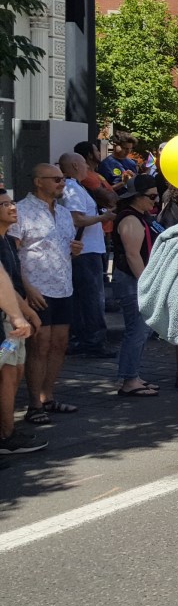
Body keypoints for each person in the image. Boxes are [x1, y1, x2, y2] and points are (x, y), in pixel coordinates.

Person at [15, 164, 82, 425]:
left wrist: (74, 251)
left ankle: (48, 396)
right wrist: (27, 288)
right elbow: (13, 253)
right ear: (38, 182)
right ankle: (33, 404)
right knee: (39, 345)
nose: (62, 183)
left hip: (63, 286)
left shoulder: (65, 213)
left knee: (59, 343)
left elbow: (64, 248)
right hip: (37, 289)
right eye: (56, 179)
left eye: (63, 178)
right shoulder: (21, 211)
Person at [58, 153, 115, 358]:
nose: (87, 168)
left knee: (85, 297)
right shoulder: (72, 188)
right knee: (92, 298)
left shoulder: (76, 187)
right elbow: (77, 219)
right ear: (75, 165)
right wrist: (104, 217)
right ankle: (93, 341)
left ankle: (84, 339)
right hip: (85, 250)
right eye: (84, 164)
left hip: (88, 248)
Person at [0, 190, 43, 454]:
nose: (12, 208)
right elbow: (6, 287)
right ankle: (6, 435)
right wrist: (26, 312)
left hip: (11, 318)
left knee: (14, 373)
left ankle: (7, 430)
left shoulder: (6, 239)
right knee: (7, 374)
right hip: (7, 319)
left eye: (11, 202)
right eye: (4, 204)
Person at [112, 175, 163, 396]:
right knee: (137, 330)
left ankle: (134, 376)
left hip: (137, 279)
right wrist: (147, 285)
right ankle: (129, 380)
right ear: (137, 197)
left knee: (142, 330)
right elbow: (133, 256)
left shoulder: (140, 216)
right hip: (132, 281)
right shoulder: (130, 219)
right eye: (151, 196)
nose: (155, 200)